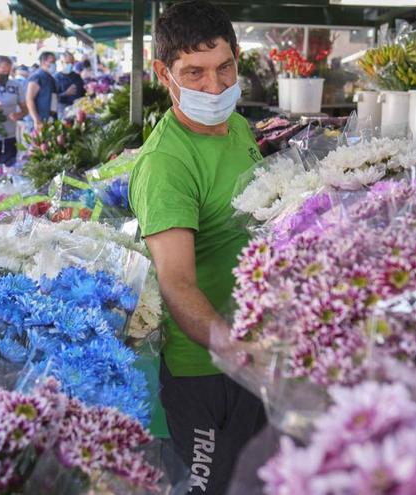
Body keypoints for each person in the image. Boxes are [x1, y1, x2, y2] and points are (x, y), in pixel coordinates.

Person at [127, 2, 263, 494]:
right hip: (206, 372)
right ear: (164, 74)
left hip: (253, 360)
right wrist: (238, 349)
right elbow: (176, 282)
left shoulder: (238, 127)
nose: (215, 86)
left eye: (224, 67)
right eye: (195, 73)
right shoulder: (166, 163)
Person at [26, 51, 57, 132]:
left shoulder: (51, 78)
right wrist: (36, 120)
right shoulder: (37, 77)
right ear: (43, 62)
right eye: (52, 62)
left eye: (55, 62)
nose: (54, 64)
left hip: (50, 119)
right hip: (40, 121)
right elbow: (29, 99)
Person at [54, 52, 85, 116]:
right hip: (63, 111)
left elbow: (83, 92)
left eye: (72, 63)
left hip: (78, 109)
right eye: (67, 63)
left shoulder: (77, 76)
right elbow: (54, 97)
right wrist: (66, 93)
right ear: (62, 63)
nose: (70, 65)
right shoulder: (56, 78)